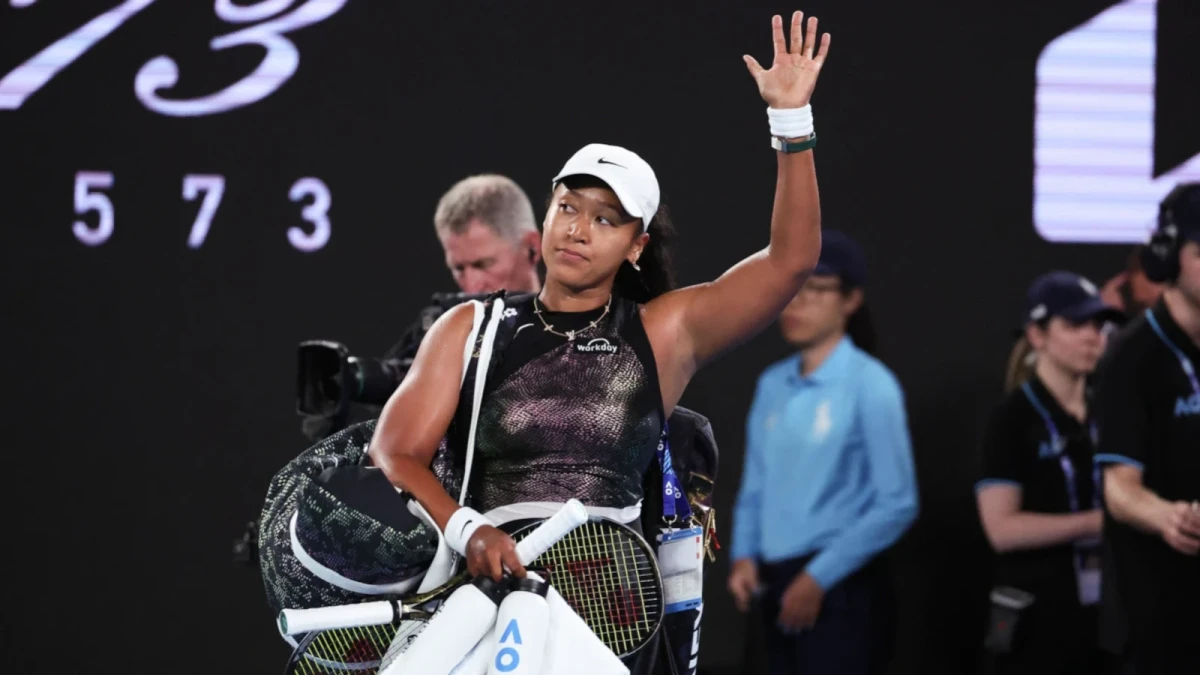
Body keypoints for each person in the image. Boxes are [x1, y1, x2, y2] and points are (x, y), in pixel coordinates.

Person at [258, 10, 831, 673]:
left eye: (605, 218)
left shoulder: (664, 331)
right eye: (567, 206)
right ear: (546, 212)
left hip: (608, 618)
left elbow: (791, 261)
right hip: (483, 594)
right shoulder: (469, 327)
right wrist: (469, 527)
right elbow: (395, 448)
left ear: (637, 245)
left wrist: (792, 124)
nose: (578, 228)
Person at [727, 230, 917, 675]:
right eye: (793, 289)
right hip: (773, 584)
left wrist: (819, 577)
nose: (797, 303)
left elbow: (898, 503)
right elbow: (755, 486)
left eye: (815, 289)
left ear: (850, 300)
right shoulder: (772, 384)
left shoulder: (871, 385)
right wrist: (743, 556)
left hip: (840, 587)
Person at [974, 271, 1124, 675]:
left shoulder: (1111, 412)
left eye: (1098, 325)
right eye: (1076, 325)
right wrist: (1101, 521)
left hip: (1104, 616)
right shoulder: (1010, 420)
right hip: (1038, 616)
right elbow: (1002, 530)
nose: (1093, 336)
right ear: (1037, 336)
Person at [1092, 183, 1200, 675]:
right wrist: (1170, 517)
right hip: (1158, 617)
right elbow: (1119, 489)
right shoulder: (1129, 358)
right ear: (1167, 258)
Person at [433, 173, 544, 295]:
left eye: (482, 265)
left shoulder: (567, 310)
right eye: (459, 268)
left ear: (532, 247)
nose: (472, 288)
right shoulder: (440, 314)